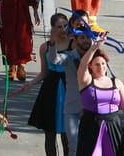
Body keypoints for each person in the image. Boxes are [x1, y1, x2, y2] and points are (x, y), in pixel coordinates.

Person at [45, 14, 92, 155]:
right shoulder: (70, 56)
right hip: (72, 108)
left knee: (89, 144)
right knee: (73, 144)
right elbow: (54, 60)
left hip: (91, 109)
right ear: (76, 40)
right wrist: (52, 44)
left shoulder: (97, 58)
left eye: (88, 37)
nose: (85, 41)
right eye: (82, 38)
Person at [26, 12, 71, 154]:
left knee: (67, 134)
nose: (63, 29)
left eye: (65, 26)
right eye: (59, 27)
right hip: (50, 91)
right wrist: (31, 83)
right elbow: (44, 72)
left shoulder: (74, 44)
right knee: (50, 134)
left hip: (68, 90)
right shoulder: (45, 47)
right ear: (52, 28)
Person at [75, 35, 124, 156]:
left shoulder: (116, 82)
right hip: (91, 126)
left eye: (103, 64)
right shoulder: (85, 81)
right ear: (90, 66)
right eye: (97, 64)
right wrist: (94, 47)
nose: (101, 67)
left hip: (115, 125)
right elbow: (82, 66)